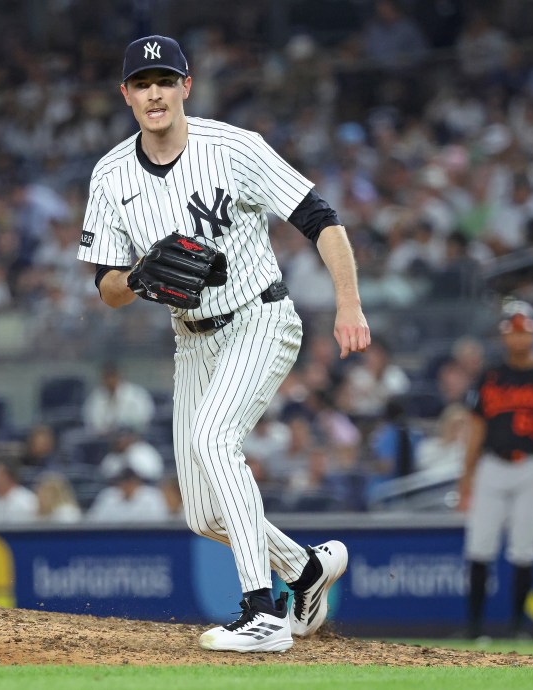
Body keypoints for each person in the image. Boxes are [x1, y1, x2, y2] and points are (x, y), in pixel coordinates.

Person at [77, 35, 370, 653]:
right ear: (125, 95)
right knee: (204, 516)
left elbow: (320, 218)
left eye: (165, 80)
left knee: (214, 438)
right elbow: (104, 285)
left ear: (186, 86)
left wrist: (349, 304)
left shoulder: (233, 147)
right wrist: (136, 279)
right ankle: (306, 570)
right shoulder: (110, 174)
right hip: (192, 340)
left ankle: (261, 613)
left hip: (259, 317)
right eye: (141, 83)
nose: (154, 92)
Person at [458, 300, 533, 640]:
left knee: (525, 547)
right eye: (512, 331)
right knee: (479, 545)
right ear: (504, 336)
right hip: (493, 464)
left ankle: (518, 627)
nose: (518, 338)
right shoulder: (491, 376)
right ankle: (475, 628)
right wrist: (466, 474)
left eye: (523, 331)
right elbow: (476, 428)